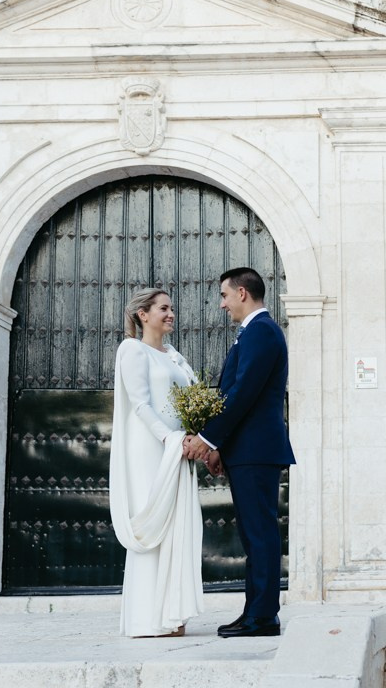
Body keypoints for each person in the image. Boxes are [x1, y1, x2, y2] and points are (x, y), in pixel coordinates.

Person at [184, 267, 295, 638]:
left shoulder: (262, 331)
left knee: (260, 534)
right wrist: (220, 447)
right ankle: (255, 612)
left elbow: (243, 392)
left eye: (225, 295)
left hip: (256, 450)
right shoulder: (254, 333)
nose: (222, 304)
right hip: (247, 449)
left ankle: (263, 616)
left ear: (243, 293)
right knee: (254, 535)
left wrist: (209, 439)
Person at [109, 288, 203, 638]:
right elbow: (140, 403)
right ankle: (146, 618)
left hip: (178, 448)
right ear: (142, 314)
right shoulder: (132, 349)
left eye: (171, 308)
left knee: (177, 529)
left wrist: (195, 438)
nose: (170, 314)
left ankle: (172, 615)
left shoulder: (174, 355)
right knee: (156, 526)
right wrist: (168, 439)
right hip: (153, 449)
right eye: (163, 308)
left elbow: (191, 396)